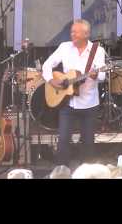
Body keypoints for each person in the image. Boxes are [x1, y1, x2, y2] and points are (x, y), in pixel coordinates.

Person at [42, 19, 106, 166]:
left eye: (75, 32)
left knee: (88, 142)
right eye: (71, 32)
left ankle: (88, 173)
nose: (72, 35)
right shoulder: (64, 47)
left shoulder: (97, 51)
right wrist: (52, 80)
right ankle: (61, 172)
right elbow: (46, 65)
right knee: (63, 140)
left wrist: (96, 75)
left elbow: (102, 75)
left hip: (89, 104)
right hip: (67, 103)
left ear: (86, 34)